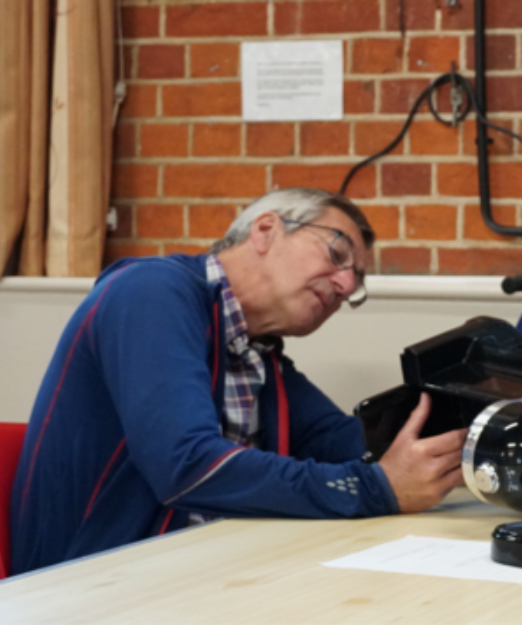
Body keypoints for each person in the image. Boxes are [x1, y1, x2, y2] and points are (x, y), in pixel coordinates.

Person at [10, 188, 466, 575]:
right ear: (265, 230)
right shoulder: (150, 292)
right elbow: (187, 467)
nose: (346, 285)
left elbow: (353, 442)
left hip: (204, 574)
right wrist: (374, 488)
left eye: (357, 278)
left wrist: (486, 413)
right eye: (337, 253)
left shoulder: (259, 354)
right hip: (93, 588)